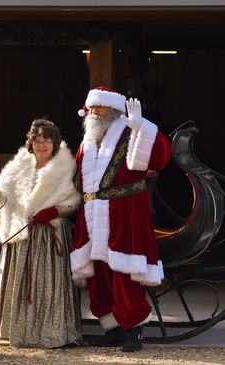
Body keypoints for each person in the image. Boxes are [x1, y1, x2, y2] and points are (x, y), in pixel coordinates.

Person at [71, 86, 172, 352]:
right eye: (91, 108)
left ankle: (133, 330)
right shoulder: (86, 143)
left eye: (100, 107)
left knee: (124, 274)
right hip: (92, 213)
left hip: (123, 212)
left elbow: (160, 158)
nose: (94, 113)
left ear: (114, 111)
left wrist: (142, 127)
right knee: (99, 275)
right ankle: (113, 328)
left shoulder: (130, 134)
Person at [0, 118, 82, 348]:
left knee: (48, 287)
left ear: (55, 143)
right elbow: (7, 197)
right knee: (21, 285)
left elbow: (74, 202)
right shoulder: (18, 167)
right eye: (37, 141)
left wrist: (54, 210)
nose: (41, 145)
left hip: (49, 235)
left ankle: (52, 334)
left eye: (46, 141)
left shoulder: (66, 169)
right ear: (30, 142)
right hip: (23, 234)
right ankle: (21, 333)